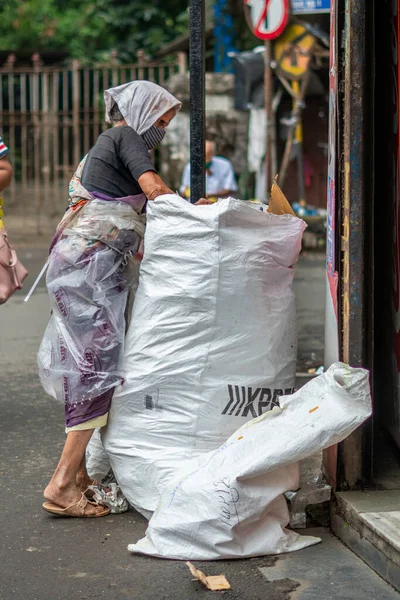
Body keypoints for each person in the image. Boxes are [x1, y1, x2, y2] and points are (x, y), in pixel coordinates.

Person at [40, 81, 209, 518]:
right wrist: (191, 213)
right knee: (96, 369)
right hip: (90, 270)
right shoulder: (126, 136)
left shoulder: (107, 146)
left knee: (88, 368)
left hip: (82, 267)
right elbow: (152, 188)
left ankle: (77, 477)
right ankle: (61, 483)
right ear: (141, 114)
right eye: (161, 122)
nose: (162, 131)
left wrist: (192, 208)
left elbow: (148, 211)